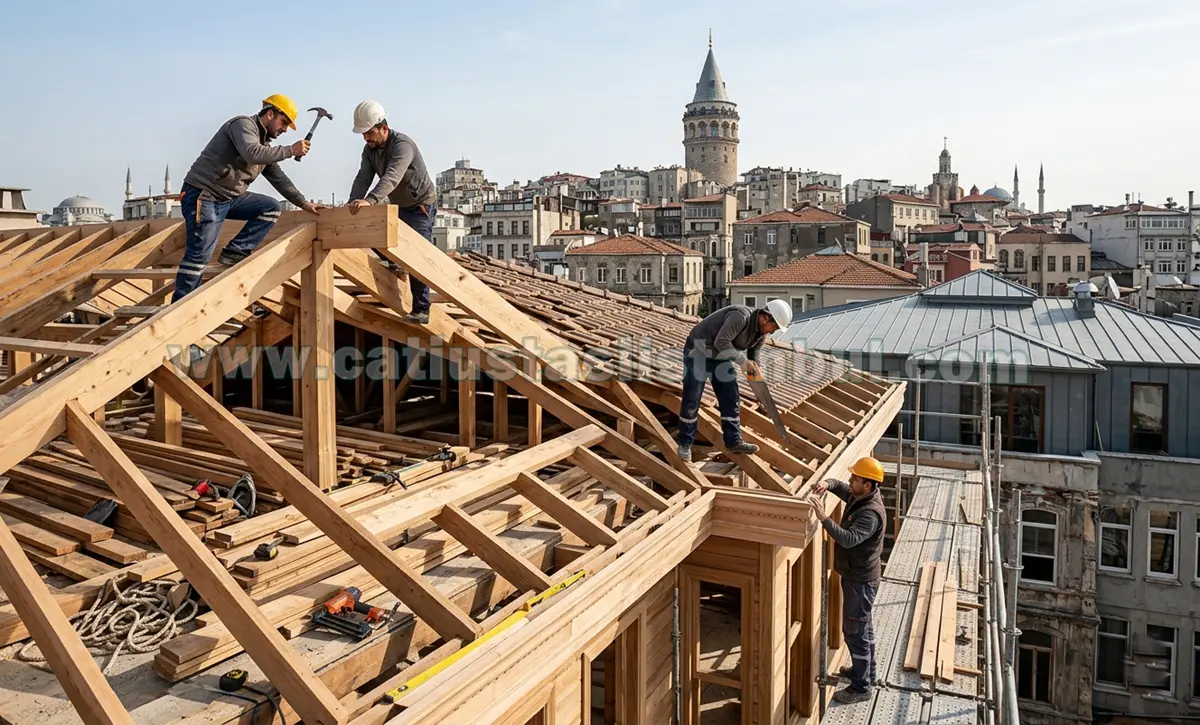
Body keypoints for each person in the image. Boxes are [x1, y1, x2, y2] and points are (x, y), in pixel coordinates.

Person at [175, 94, 322, 303]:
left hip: (228, 198)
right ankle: (181, 306)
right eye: (284, 122)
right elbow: (252, 153)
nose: (285, 129)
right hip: (204, 195)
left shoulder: (265, 147)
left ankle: (235, 252)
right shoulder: (242, 125)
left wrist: (303, 203)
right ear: (270, 114)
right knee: (199, 257)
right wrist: (291, 150)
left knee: (269, 208)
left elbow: (278, 178)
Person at [345, 99, 439, 324]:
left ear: (383, 128)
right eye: (363, 134)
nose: (366, 138)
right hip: (398, 206)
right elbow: (363, 177)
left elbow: (392, 177)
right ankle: (395, 262)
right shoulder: (370, 150)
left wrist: (371, 200)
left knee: (416, 256)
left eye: (369, 133)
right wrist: (351, 203)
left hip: (419, 207)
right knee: (372, 229)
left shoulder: (402, 145)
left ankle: (422, 310)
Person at [809, 456, 888, 704]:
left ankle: (861, 687)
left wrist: (823, 518)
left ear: (868, 485)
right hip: (856, 575)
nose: (850, 481)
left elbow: (848, 539)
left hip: (861, 581)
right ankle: (864, 673)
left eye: (855, 479)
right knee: (863, 628)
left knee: (855, 632)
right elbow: (842, 488)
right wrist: (827, 483)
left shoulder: (871, 513)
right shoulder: (860, 494)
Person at [675, 299, 792, 463]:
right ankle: (685, 443)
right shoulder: (740, 317)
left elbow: (753, 359)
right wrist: (742, 362)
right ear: (765, 317)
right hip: (699, 349)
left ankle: (733, 441)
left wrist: (758, 385)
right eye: (774, 327)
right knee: (692, 398)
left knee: (730, 396)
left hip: (719, 356)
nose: (773, 332)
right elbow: (721, 342)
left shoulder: (761, 333)